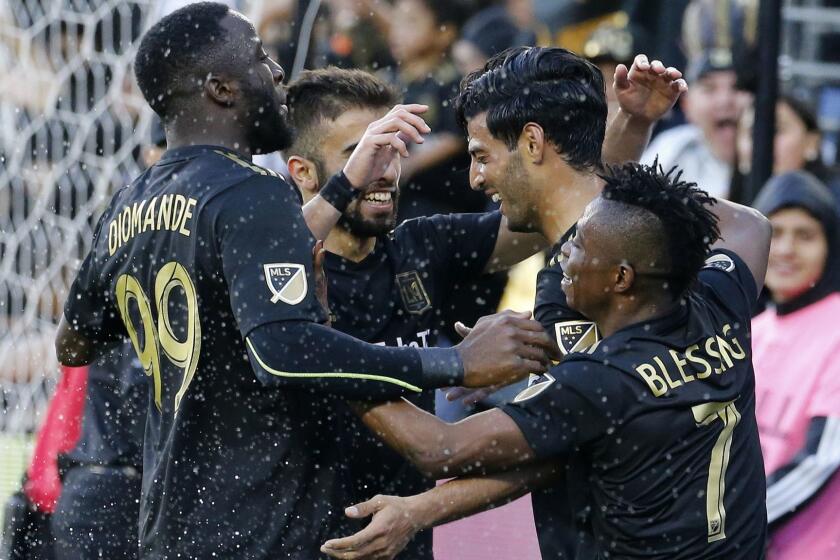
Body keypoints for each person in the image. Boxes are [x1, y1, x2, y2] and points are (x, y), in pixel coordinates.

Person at [53, 4, 556, 558]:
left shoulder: (130, 202)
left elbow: (74, 342)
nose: (274, 71)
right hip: (259, 527)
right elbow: (283, 351)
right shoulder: (249, 192)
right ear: (221, 88)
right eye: (258, 57)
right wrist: (454, 362)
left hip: (176, 523)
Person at [293, 45, 681, 559]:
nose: (382, 169)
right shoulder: (280, 271)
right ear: (303, 172)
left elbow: (563, 201)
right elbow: (256, 273)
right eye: (361, 152)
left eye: (392, 149)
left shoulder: (420, 247)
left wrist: (629, 127)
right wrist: (454, 364)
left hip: (399, 541)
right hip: (292, 536)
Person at [321, 161, 772, 560]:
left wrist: (323, 347)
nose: (563, 257)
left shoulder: (598, 381)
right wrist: (658, 200)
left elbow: (439, 449)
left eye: (578, 247)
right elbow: (751, 225)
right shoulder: (719, 303)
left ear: (621, 277)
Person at [750, 171, 840, 559]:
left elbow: (823, 458)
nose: (785, 249)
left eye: (805, 236)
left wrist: (735, 521)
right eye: (776, 232)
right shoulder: (751, 328)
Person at [50, 343, 146, 560]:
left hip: (86, 487)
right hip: (109, 496)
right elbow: (140, 407)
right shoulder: (133, 332)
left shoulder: (105, 328)